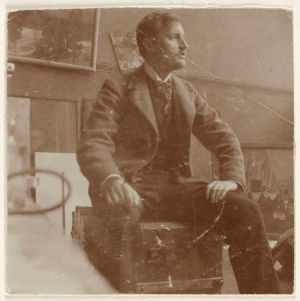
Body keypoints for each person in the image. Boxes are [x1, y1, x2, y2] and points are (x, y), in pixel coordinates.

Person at [77, 11, 281, 294]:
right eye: (175, 38)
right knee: (122, 224)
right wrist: (112, 180)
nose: (185, 46)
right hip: (132, 189)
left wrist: (232, 180)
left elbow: (226, 140)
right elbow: (94, 142)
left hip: (177, 191)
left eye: (183, 38)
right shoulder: (119, 87)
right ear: (149, 44)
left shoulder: (188, 91)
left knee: (244, 209)